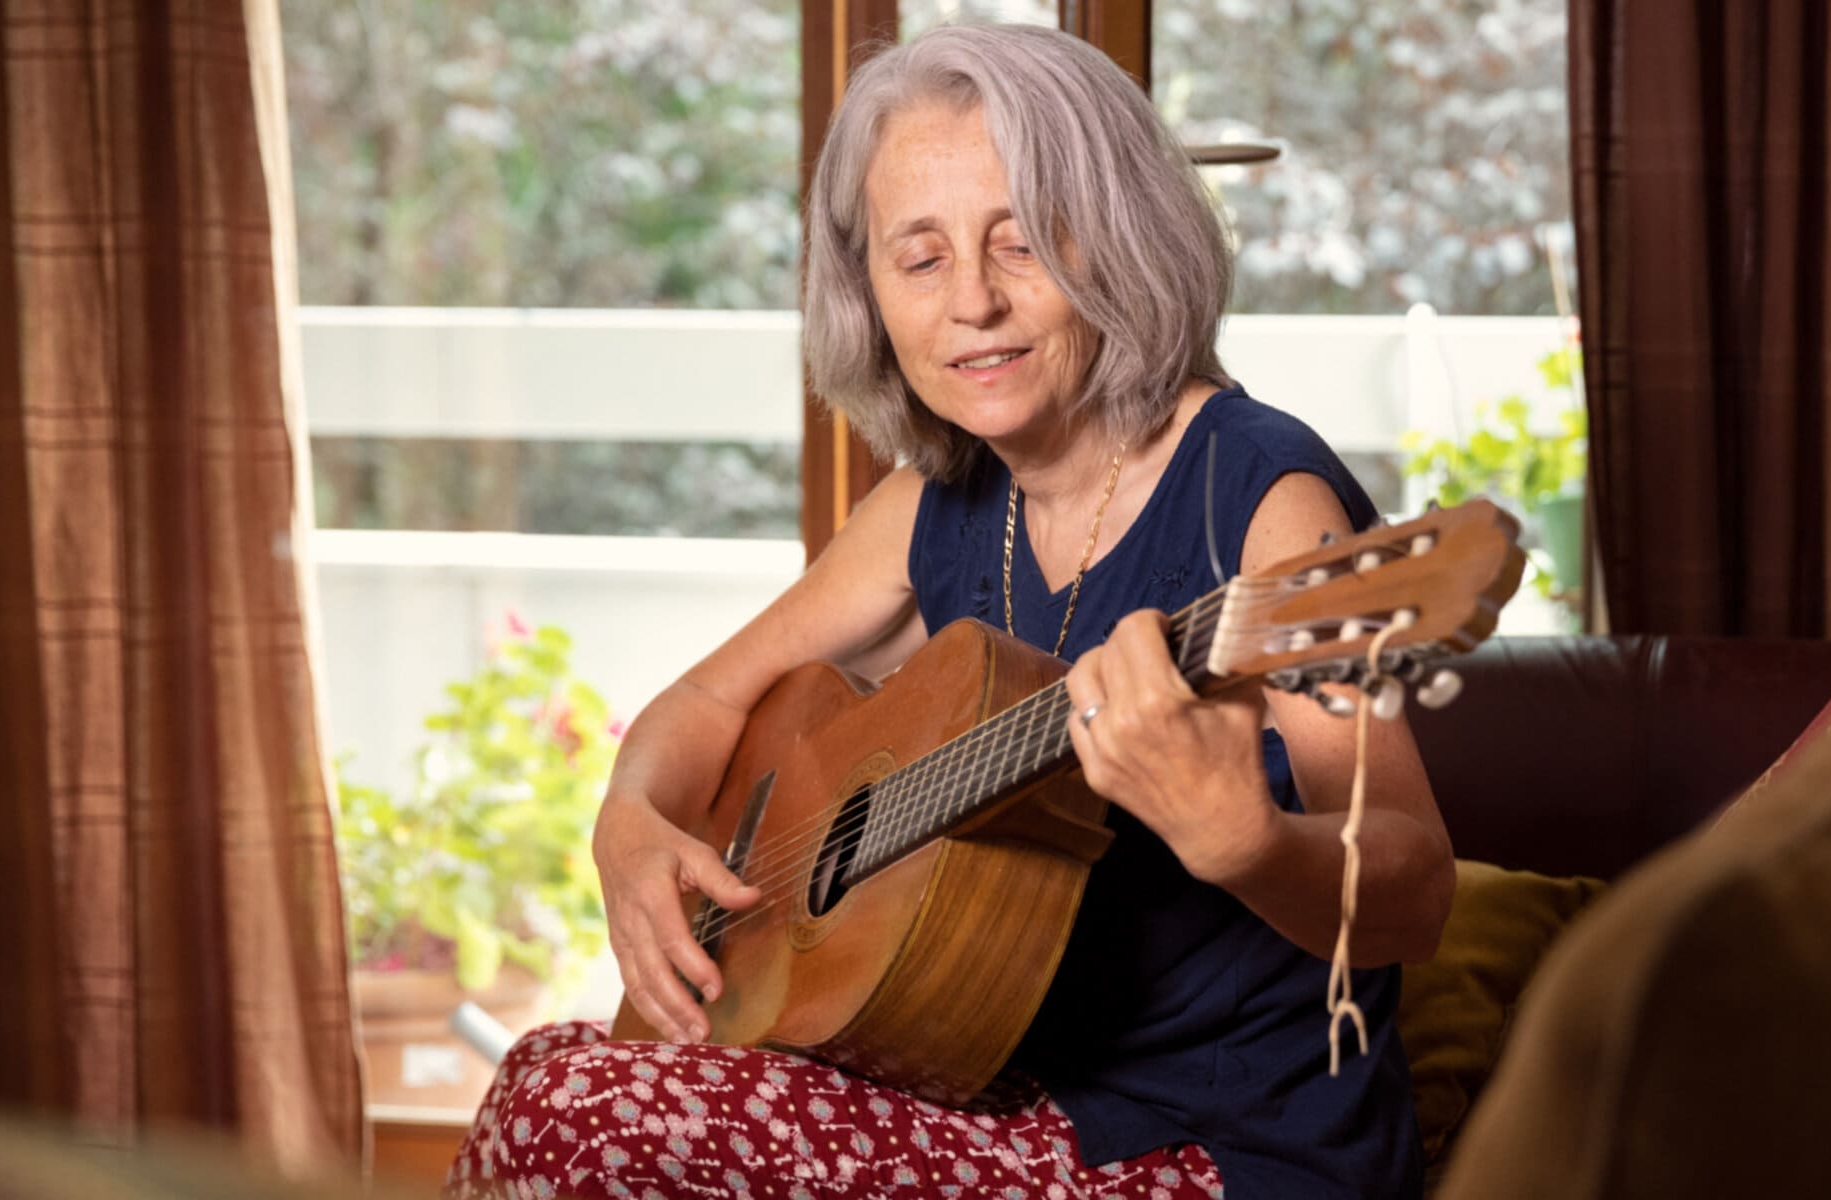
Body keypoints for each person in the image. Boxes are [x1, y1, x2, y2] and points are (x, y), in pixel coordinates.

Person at [445, 23, 1452, 1200]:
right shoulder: (944, 496)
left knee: (573, 1110)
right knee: (552, 1074)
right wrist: (628, 820)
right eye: (917, 259)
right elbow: (709, 699)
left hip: (1219, 1155)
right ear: (865, 290)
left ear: (1123, 238)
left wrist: (1247, 845)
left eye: (1019, 242)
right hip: (982, 1087)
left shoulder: (1268, 504)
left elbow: (1413, 885)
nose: (971, 301)